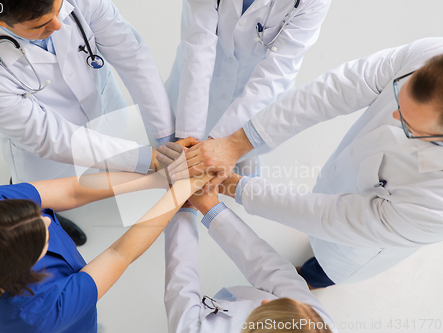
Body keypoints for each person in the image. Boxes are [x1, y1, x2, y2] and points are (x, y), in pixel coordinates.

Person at [167, 37, 443, 288]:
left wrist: (235, 187)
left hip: (361, 240)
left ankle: (310, 277)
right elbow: (338, 88)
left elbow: (332, 216)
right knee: (321, 205)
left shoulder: (436, 204)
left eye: (409, 125)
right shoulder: (432, 55)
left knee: (323, 268)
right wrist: (238, 142)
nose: (393, 115)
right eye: (398, 95)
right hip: (349, 177)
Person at [0, 0, 175, 245]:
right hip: (43, 144)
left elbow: (133, 56)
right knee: (40, 194)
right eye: (41, 24)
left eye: (60, 10)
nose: (59, 24)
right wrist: (147, 159)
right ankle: (42, 214)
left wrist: (166, 139)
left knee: (114, 147)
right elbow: (49, 137)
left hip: (100, 100)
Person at [0, 163, 211, 332]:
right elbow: (120, 252)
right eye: (43, 237)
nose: (49, 219)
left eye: (34, 211)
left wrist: (160, 177)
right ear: (27, 268)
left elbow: (72, 191)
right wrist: (182, 190)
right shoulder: (40, 315)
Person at [165, 0, 330, 175]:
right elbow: (198, 46)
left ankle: (241, 154)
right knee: (178, 138)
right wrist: (189, 135)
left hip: (259, 89)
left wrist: (222, 146)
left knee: (242, 146)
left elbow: (274, 74)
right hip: (205, 73)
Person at [164, 185, 338, 333]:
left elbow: (181, 287)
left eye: (264, 310)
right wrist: (211, 209)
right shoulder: (316, 324)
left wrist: (183, 212)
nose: (265, 301)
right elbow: (270, 269)